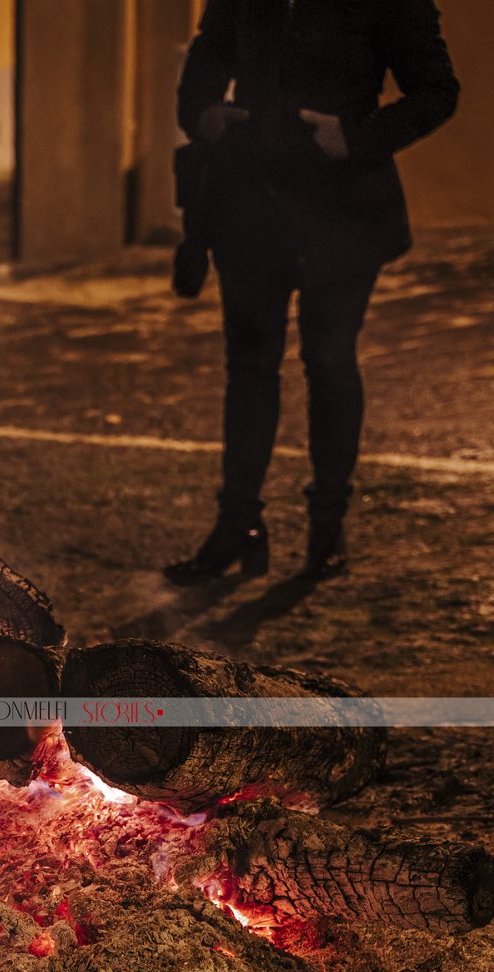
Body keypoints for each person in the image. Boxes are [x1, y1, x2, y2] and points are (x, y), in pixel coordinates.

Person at [166, 0, 459, 585]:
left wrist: (354, 136)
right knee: (249, 364)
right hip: (249, 203)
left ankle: (328, 527)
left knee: (328, 359)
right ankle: (238, 527)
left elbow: (437, 91)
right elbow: (205, 59)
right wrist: (202, 115)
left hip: (343, 211)